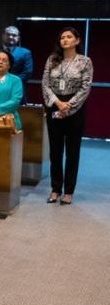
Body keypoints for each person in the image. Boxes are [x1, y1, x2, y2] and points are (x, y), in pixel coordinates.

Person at [41, 27, 93, 205]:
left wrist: (68, 107)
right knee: (55, 151)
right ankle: (55, 189)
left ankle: (69, 191)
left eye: (69, 37)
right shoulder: (52, 60)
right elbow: (45, 84)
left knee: (72, 151)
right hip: (55, 105)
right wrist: (58, 104)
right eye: (62, 37)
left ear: (77, 41)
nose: (65, 40)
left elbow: (86, 87)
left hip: (75, 108)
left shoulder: (85, 61)